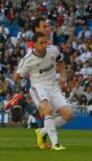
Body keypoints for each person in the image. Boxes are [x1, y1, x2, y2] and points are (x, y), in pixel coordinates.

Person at [5, 16, 58, 148]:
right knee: (46, 113)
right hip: (36, 82)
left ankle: (21, 101)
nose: (47, 28)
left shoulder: (42, 42)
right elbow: (30, 60)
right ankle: (44, 141)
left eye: (47, 26)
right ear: (37, 29)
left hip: (41, 81)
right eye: (44, 26)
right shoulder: (35, 44)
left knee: (45, 114)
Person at [13, 32, 72, 150]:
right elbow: (17, 77)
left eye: (46, 42)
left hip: (53, 87)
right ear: (34, 44)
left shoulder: (53, 50)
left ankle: (42, 132)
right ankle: (56, 144)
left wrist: (63, 78)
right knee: (48, 109)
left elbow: (61, 62)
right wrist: (24, 81)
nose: (44, 45)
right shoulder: (28, 60)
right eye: (41, 43)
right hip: (38, 88)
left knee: (68, 114)